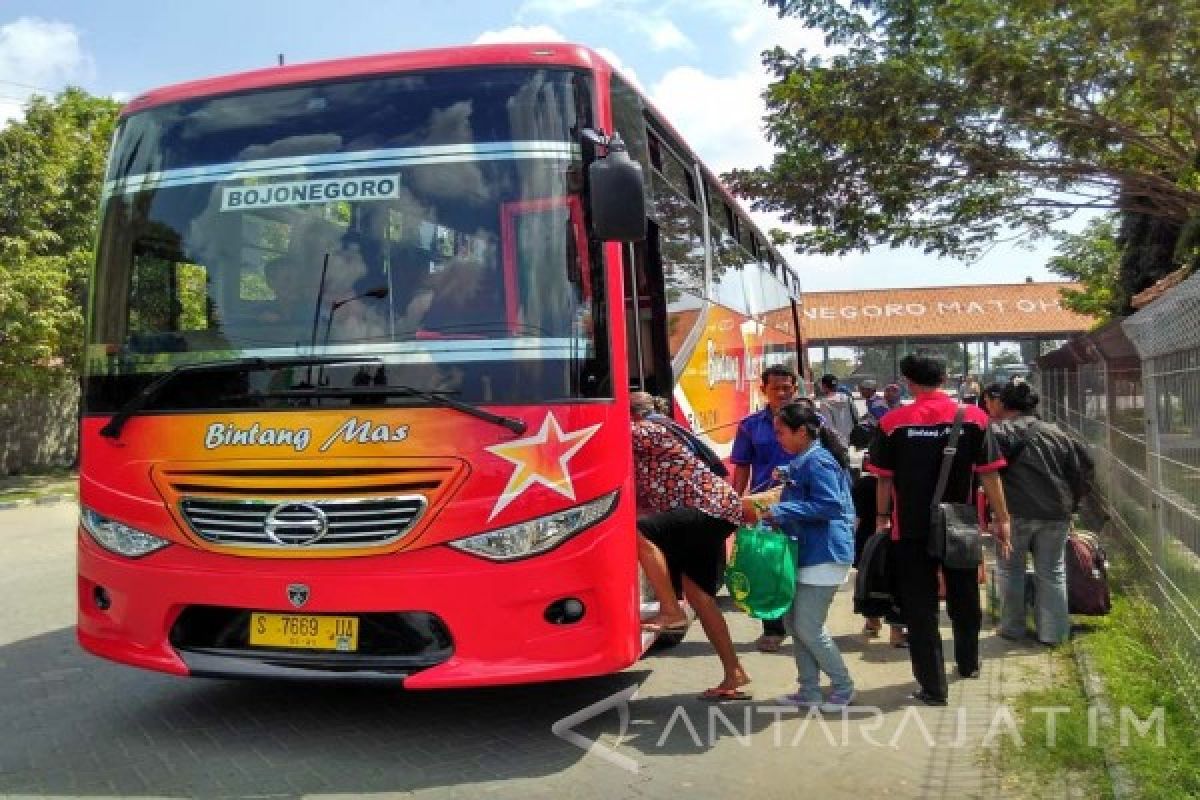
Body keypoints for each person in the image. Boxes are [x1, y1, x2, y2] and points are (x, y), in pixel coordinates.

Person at [867, 352, 1012, 706]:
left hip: (909, 529)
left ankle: (933, 687)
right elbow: (990, 473)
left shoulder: (892, 422)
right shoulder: (975, 418)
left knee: (921, 607)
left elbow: (883, 480)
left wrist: (881, 518)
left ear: (907, 382)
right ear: (946, 377)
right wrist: (1002, 519)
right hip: (960, 525)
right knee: (963, 596)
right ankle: (968, 664)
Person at [630, 391, 750, 701]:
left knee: (638, 533)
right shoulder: (660, 435)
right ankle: (733, 671)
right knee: (700, 596)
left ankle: (670, 611)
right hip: (713, 512)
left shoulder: (649, 430)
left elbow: (598, 433)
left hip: (708, 510)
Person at [746, 402, 857, 712]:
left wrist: (780, 510)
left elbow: (830, 506)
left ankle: (843, 686)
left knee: (808, 627)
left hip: (825, 554)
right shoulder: (807, 458)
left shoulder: (818, 461)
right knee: (796, 624)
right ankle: (809, 690)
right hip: (811, 552)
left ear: (802, 432)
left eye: (781, 432)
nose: (777, 437)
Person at [991, 382, 1095, 645]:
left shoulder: (997, 432)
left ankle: (1012, 628)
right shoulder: (1058, 433)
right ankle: (1054, 633)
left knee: (1009, 569)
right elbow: (1081, 470)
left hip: (1013, 512)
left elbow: (988, 471)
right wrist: (1071, 505)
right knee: (1052, 571)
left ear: (1003, 404)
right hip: (1055, 512)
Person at [731, 364, 801, 653]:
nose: (783, 393)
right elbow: (742, 467)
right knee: (767, 567)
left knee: (802, 565)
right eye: (776, 388)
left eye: (788, 388)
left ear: (795, 390)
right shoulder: (750, 425)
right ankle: (772, 628)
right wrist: (735, 505)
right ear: (764, 390)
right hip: (766, 507)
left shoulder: (813, 421)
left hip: (802, 503)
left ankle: (804, 625)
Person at [852, 453, 907, 647]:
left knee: (869, 584)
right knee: (896, 587)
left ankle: (872, 622)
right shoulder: (901, 483)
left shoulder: (861, 485)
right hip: (893, 540)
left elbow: (856, 518)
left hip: (868, 543)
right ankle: (897, 632)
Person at [816, 373, 856, 446]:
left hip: (835, 441)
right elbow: (855, 416)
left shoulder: (825, 403)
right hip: (848, 437)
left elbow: (828, 425)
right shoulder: (847, 398)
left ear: (824, 386)